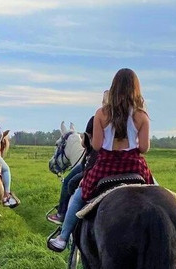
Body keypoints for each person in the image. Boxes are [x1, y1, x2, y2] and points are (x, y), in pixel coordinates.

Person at [48, 69, 152, 252]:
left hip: (106, 167)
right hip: (134, 166)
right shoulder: (142, 116)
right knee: (158, 191)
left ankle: (63, 237)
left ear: (114, 88)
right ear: (136, 89)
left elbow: (96, 146)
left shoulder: (101, 114)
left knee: (79, 194)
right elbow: (144, 148)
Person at [46, 91, 107, 224]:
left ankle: (62, 216)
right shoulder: (132, 117)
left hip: (100, 162)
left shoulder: (98, 117)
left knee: (69, 182)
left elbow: (92, 145)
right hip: (130, 163)